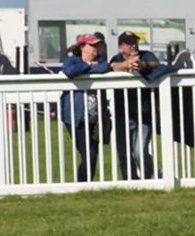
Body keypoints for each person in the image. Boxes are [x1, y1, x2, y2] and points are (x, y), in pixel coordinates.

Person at [109, 31, 164, 179]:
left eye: (135, 42)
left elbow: (155, 64)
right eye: (129, 43)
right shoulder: (117, 58)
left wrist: (142, 64)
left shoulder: (146, 55)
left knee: (140, 150)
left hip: (144, 113)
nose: (133, 45)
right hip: (122, 113)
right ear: (121, 47)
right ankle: (130, 180)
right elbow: (112, 67)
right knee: (124, 151)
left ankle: (149, 177)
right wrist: (126, 64)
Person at [59, 34, 110, 182]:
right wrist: (89, 67)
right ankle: (83, 183)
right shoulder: (72, 60)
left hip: (95, 118)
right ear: (82, 47)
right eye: (92, 46)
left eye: (97, 46)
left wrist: (89, 68)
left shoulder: (100, 61)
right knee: (89, 154)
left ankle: (85, 183)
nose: (96, 50)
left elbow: (105, 68)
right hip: (76, 117)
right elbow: (70, 71)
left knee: (93, 153)